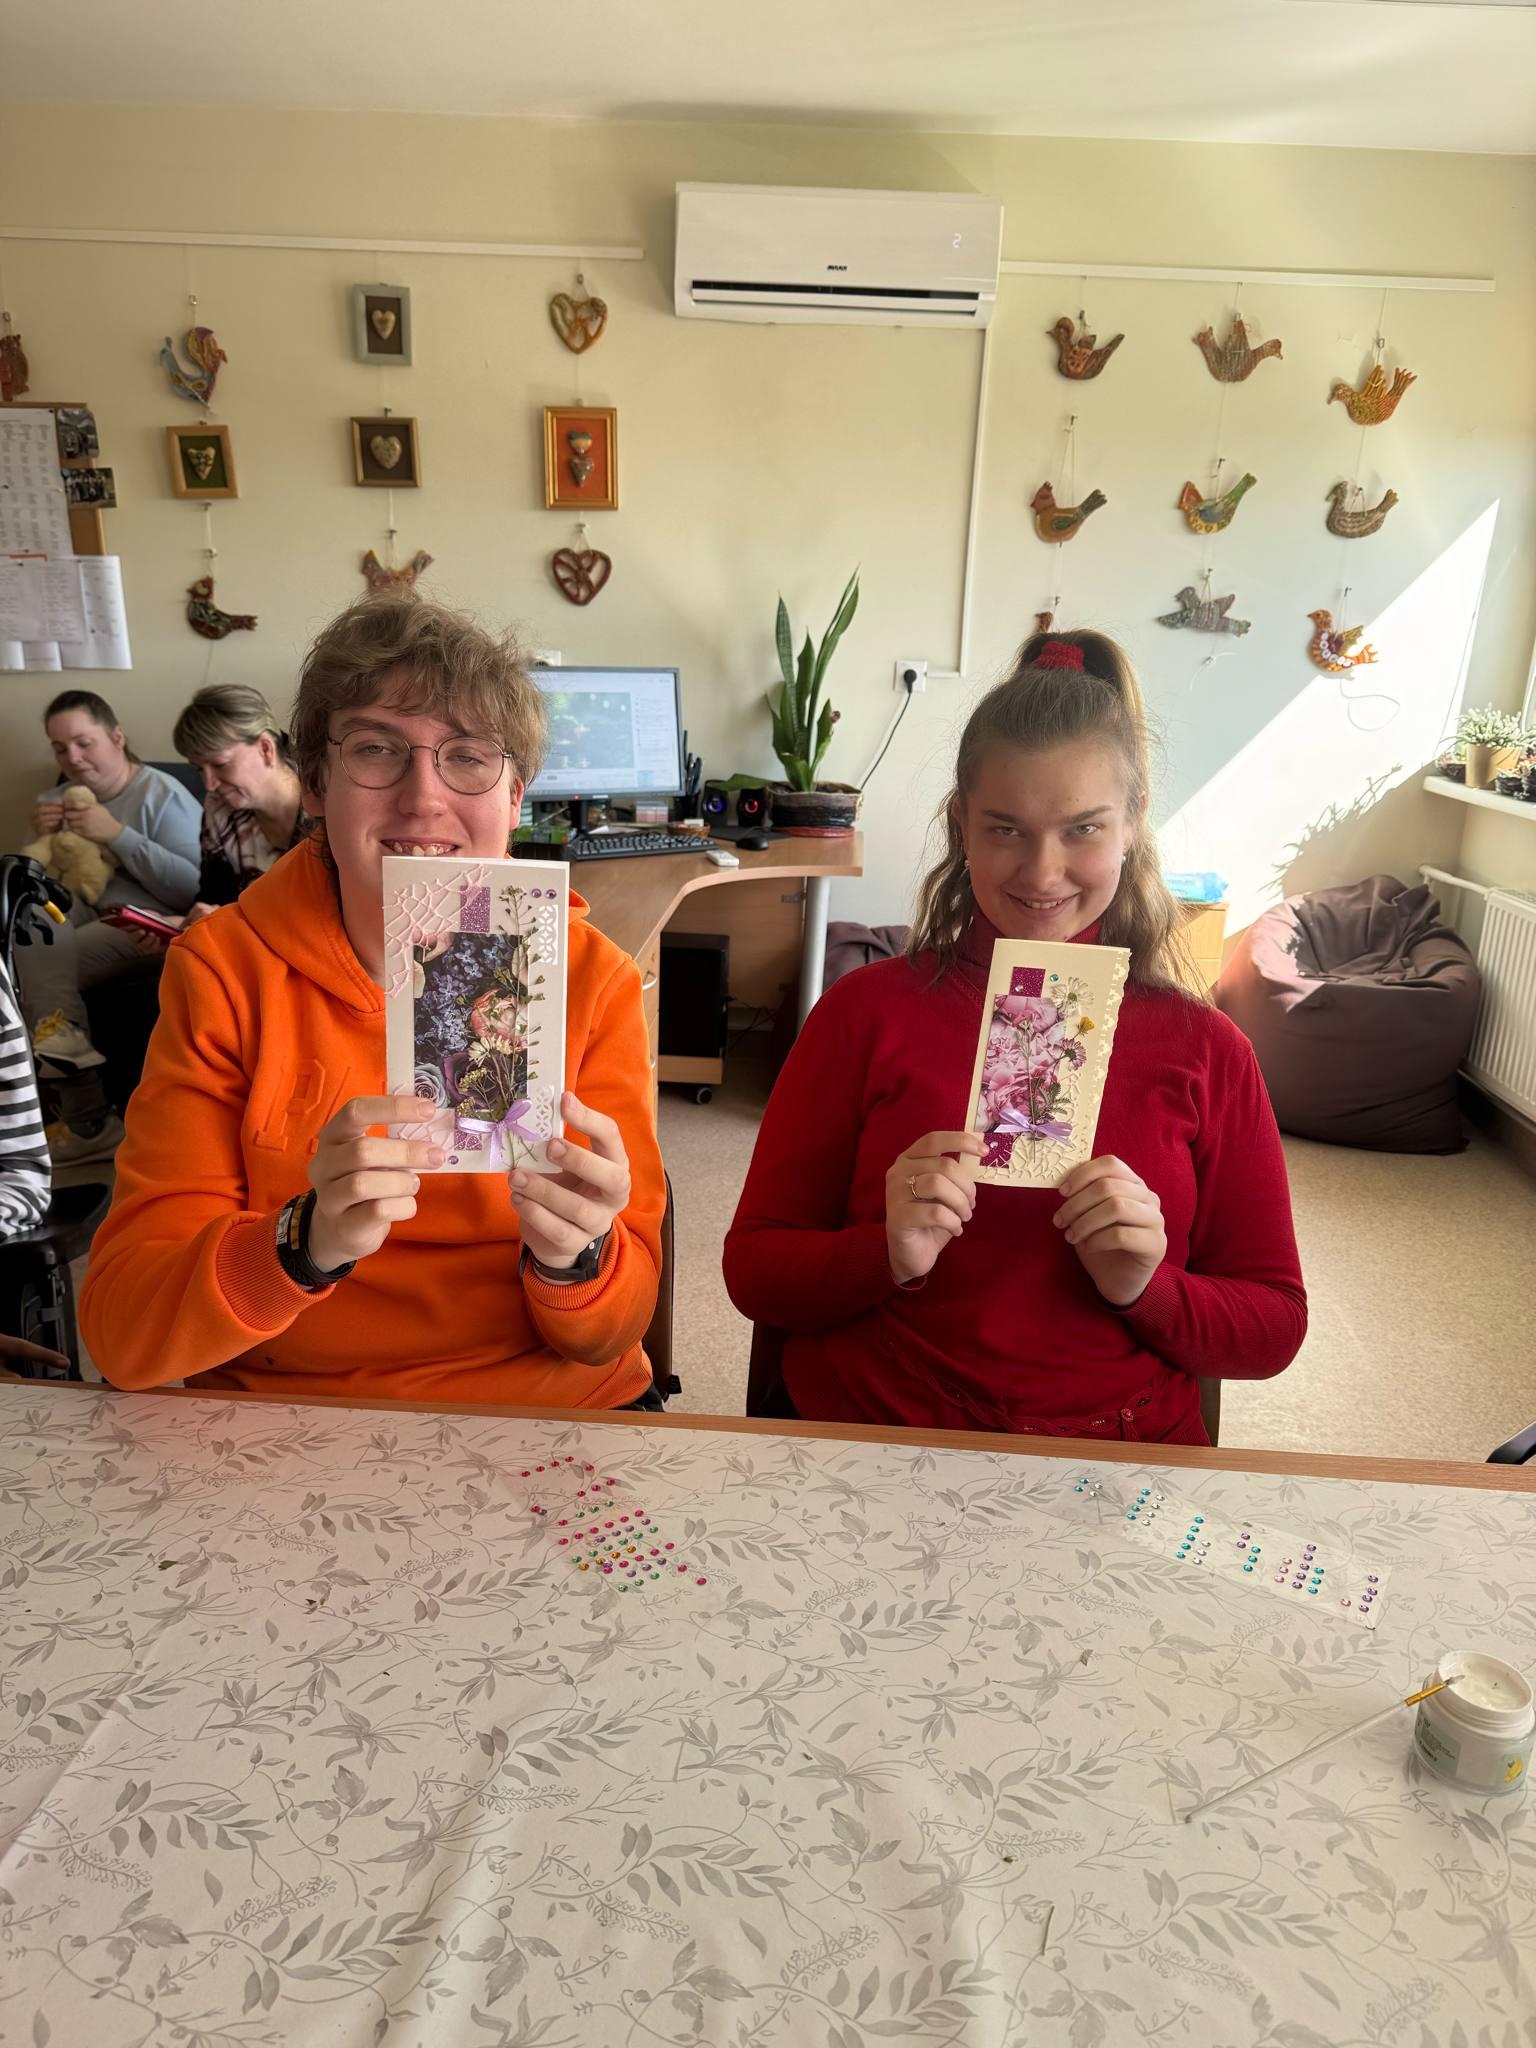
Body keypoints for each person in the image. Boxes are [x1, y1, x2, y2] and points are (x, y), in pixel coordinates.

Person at [80, 592, 665, 1409]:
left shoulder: (589, 981)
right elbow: (125, 1335)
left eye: (468, 756)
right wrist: (301, 1244)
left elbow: (613, 1332)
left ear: (515, 796)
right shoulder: (224, 971)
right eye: (376, 749)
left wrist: (577, 1261)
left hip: (544, 1411)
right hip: (294, 1416)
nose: (422, 798)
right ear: (315, 784)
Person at [723, 629, 1306, 1444]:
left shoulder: (1208, 1050)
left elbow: (1273, 1325)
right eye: (1005, 829)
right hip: (873, 1427)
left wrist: (1147, 1287)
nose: (1041, 873)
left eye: (1083, 829)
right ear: (960, 824)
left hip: (1116, 1450)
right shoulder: (862, 1014)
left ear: (1133, 824)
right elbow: (755, 1271)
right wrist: (884, 1253)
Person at [16, 690, 201, 1163]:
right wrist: (36, 840)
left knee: (39, 966)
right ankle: (84, 1114)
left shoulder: (162, 794)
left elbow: (191, 888)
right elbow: (38, 881)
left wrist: (117, 834)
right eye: (60, 748)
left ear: (116, 737)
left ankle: (86, 1114)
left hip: (143, 923)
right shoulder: (53, 800)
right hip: (74, 914)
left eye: (84, 743)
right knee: (32, 921)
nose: (73, 759)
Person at [172, 682, 309, 924]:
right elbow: (212, 896)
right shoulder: (220, 808)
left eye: (220, 764)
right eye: (199, 769)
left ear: (265, 749)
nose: (209, 784)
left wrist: (231, 922)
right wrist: (181, 923)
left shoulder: (328, 804)